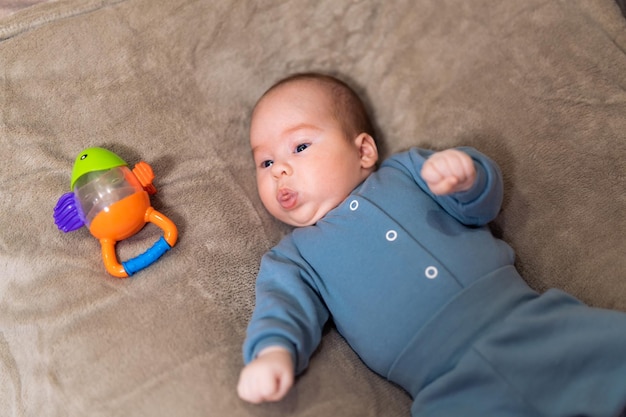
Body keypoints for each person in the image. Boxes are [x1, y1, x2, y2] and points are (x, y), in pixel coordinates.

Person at [237, 72, 626, 417]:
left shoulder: (406, 171)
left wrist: (467, 177)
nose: (280, 170)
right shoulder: (292, 258)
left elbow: (480, 208)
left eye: (300, 147)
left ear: (363, 151)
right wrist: (272, 354)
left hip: (534, 324)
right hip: (446, 387)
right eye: (265, 163)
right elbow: (281, 310)